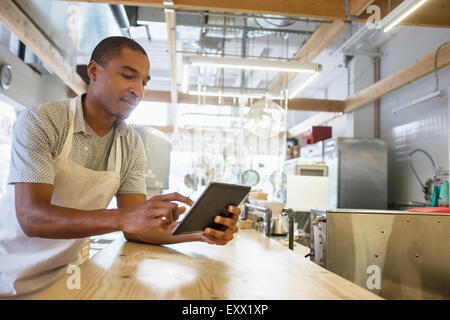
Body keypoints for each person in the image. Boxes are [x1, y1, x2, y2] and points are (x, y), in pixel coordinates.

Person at [0, 36, 240, 299]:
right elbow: (32, 218)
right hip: (9, 276)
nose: (138, 90)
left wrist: (200, 232)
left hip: (66, 277)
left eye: (144, 82)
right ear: (93, 71)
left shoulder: (130, 144)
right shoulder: (42, 121)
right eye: (128, 76)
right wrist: (123, 216)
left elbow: (136, 228)